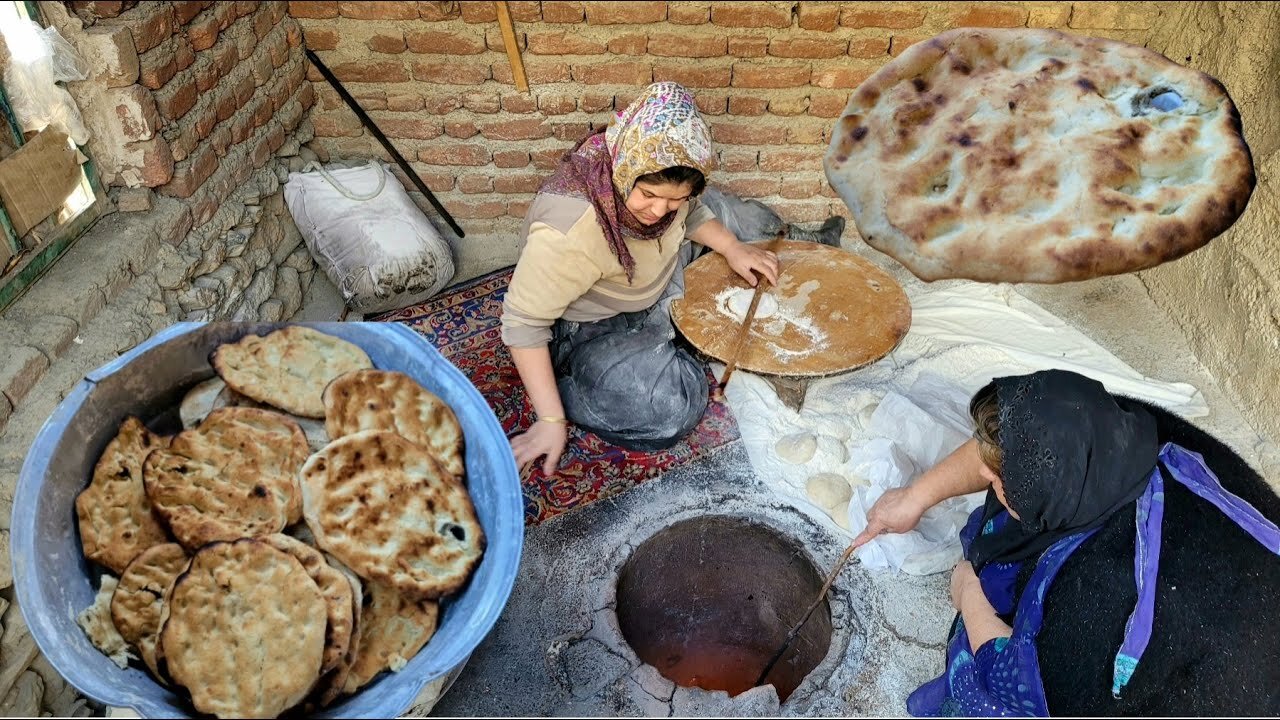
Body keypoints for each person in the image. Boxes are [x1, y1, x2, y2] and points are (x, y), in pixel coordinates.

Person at [852, 369, 1280, 716]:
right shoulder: (1113, 426)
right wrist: (915, 497)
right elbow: (1004, 449)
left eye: (1000, 480)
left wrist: (968, 593)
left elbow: (1023, 689)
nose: (986, 480)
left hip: (1223, 684)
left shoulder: (1096, 599)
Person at [501, 82, 780, 474]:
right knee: (668, 409)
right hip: (596, 324)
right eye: (648, 194)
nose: (659, 210)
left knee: (750, 225)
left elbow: (694, 213)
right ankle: (581, 382)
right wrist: (550, 420)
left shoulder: (669, 193)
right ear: (626, 168)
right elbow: (523, 323)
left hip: (657, 275)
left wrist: (733, 247)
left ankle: (673, 330)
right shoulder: (572, 230)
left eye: (675, 198)